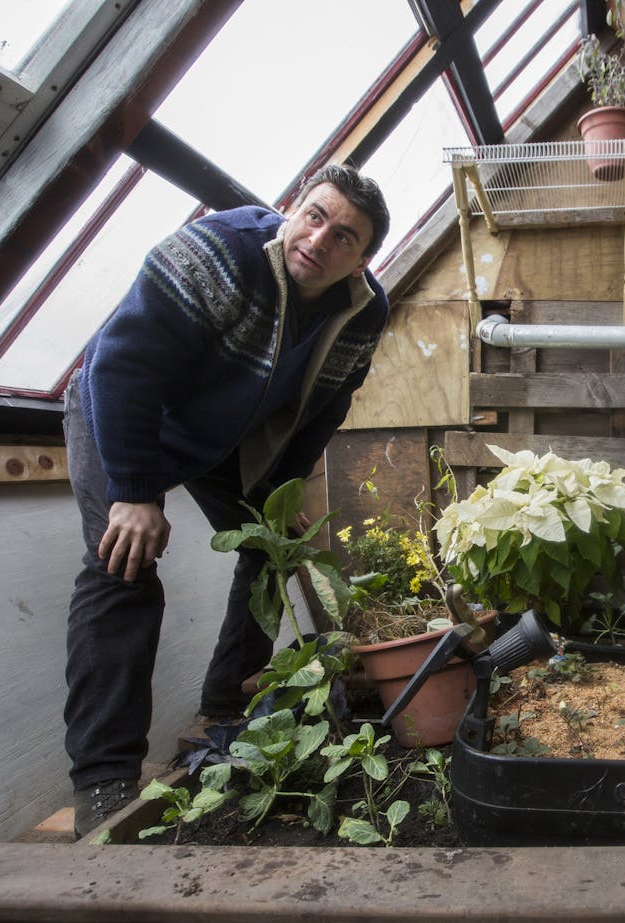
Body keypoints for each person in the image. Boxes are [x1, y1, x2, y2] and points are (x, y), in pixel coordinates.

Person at [61, 163, 391, 837]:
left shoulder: (363, 313)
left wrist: (281, 496)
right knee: (123, 565)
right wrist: (133, 490)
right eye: (315, 215)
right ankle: (104, 778)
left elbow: (321, 409)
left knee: (272, 550)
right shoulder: (216, 252)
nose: (320, 240)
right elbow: (124, 364)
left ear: (361, 260)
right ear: (292, 209)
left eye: (345, 237)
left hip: (220, 437)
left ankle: (225, 704)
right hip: (122, 412)